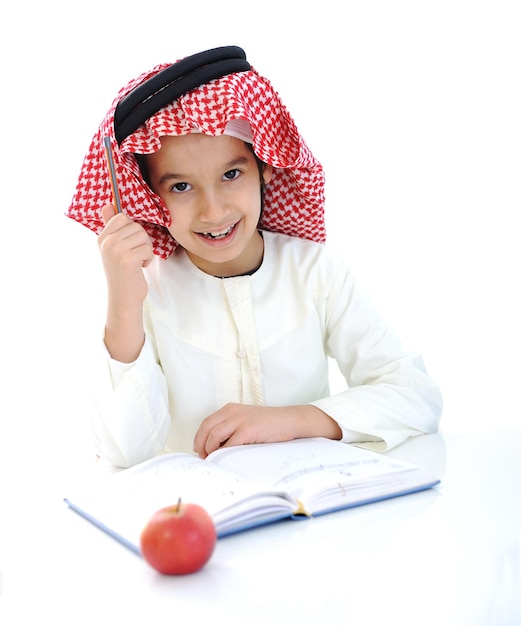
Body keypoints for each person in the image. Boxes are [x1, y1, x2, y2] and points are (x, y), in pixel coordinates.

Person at [67, 46, 442, 468]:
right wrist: (123, 305)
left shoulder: (315, 272)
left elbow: (416, 396)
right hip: (198, 518)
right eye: (181, 187)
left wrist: (291, 421)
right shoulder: (147, 293)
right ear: (151, 198)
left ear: (265, 167)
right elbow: (124, 454)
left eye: (231, 175)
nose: (214, 211)